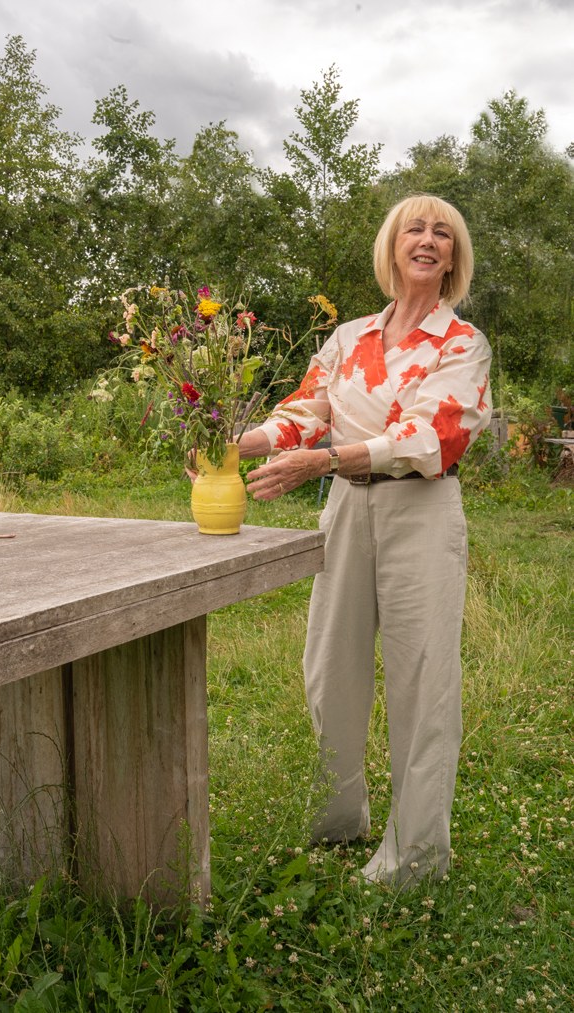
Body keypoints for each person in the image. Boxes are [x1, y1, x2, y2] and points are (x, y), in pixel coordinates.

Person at [238, 194, 492, 886]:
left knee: (421, 677)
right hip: (347, 511)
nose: (429, 239)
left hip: (421, 509)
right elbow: (307, 409)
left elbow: (428, 435)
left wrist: (323, 460)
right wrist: (240, 442)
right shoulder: (349, 337)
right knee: (329, 668)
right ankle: (337, 814)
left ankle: (413, 856)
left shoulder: (460, 343)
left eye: (443, 233)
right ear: (391, 244)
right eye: (415, 227)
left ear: (452, 257)